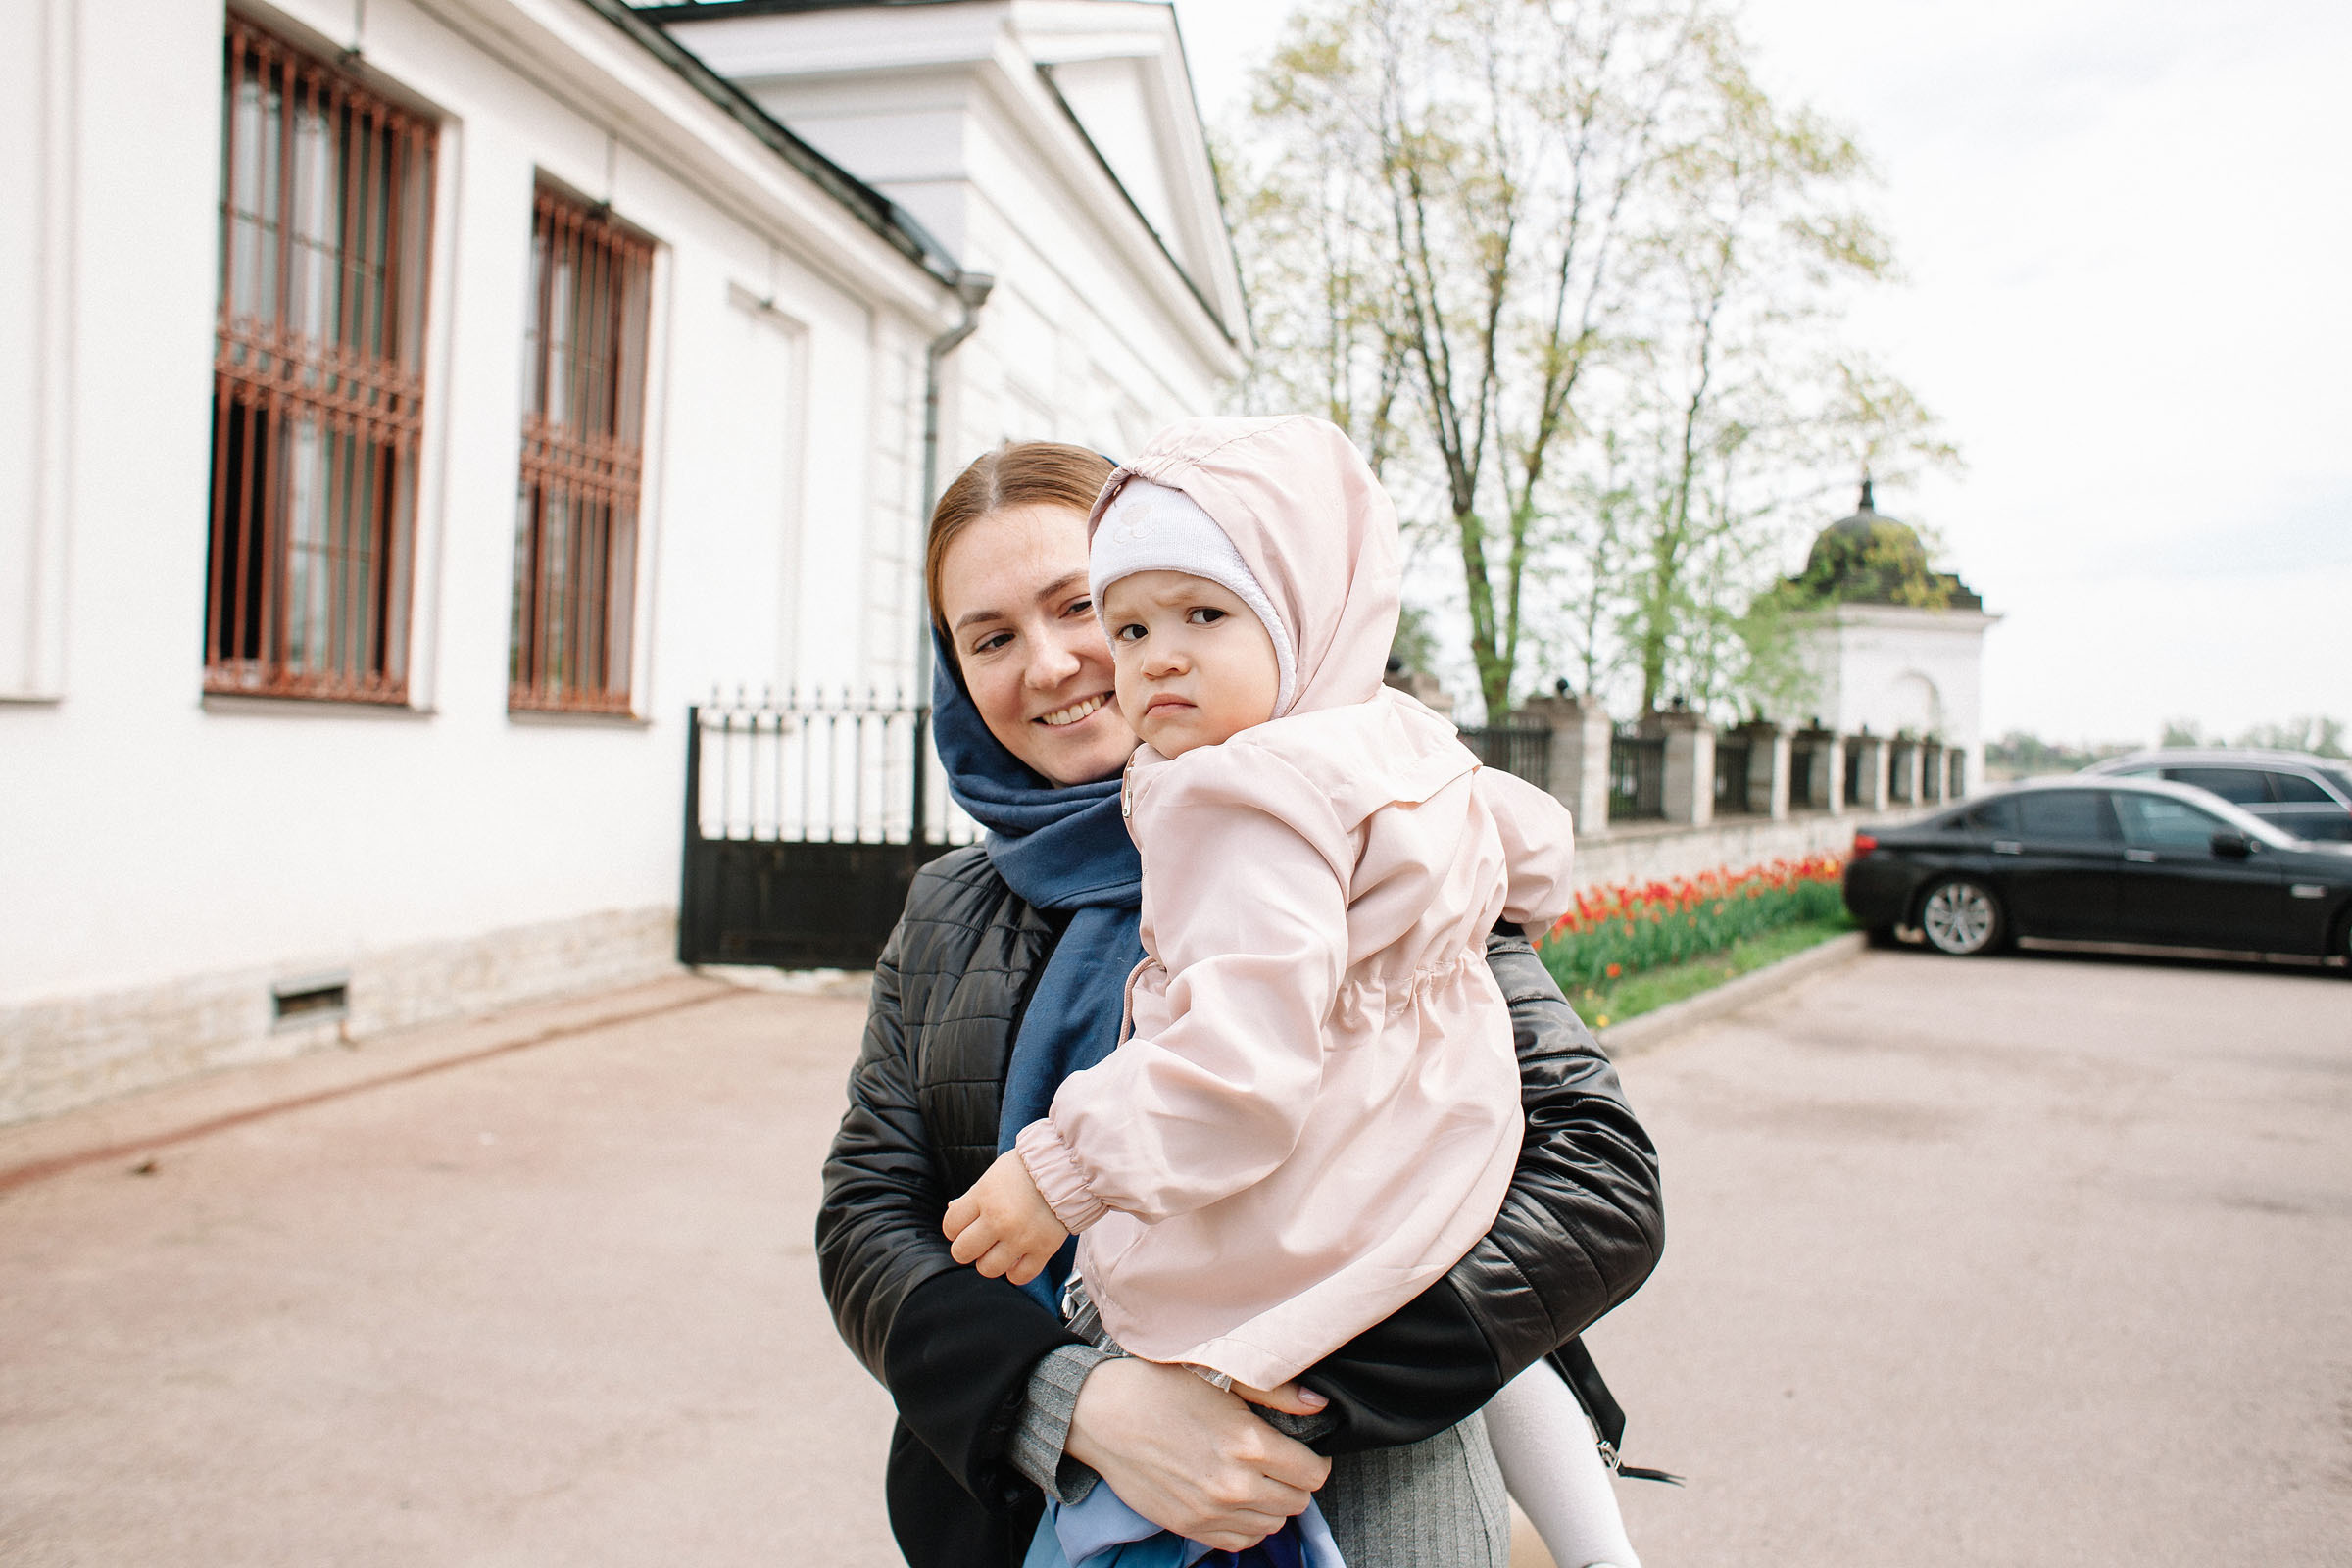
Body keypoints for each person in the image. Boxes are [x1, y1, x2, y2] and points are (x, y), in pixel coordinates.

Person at [815, 438, 1664, 1568]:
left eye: (1079, 605)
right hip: (1020, 1494)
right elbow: (870, 1217)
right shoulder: (946, 909)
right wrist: (1078, 1408)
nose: (1060, 662)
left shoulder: (1364, 837)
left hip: (1356, 1474)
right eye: (992, 637)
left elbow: (1599, 1184)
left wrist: (1270, 1392)